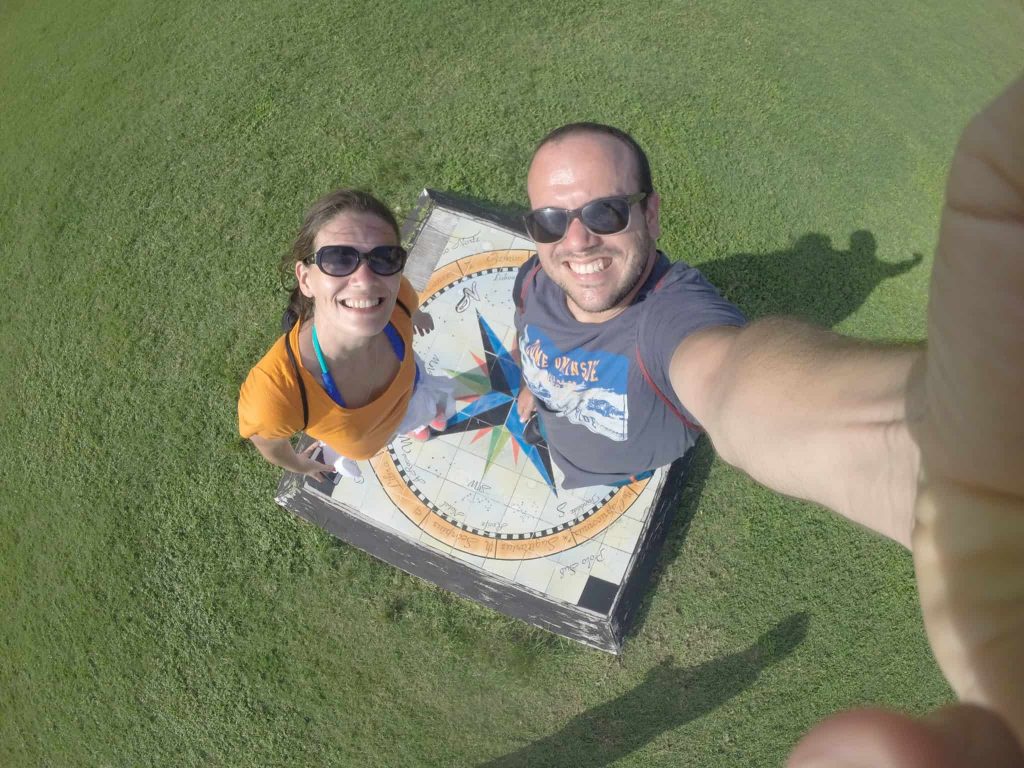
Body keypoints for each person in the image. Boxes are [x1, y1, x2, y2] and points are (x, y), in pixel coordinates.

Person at [515, 74, 1024, 766]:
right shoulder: (533, 279)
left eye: (605, 213)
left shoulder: (671, 319)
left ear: (653, 215)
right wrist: (532, 385)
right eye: (550, 220)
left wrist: (935, 445)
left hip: (627, 466)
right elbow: (535, 323)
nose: (575, 240)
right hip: (549, 429)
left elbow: (733, 379)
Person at [238, 189, 453, 482]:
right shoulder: (277, 396)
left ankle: (414, 422)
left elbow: (407, 303)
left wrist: (415, 314)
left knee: (417, 404)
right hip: (370, 440)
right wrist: (301, 465)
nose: (365, 281)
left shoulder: (399, 295)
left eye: (385, 258)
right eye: (338, 259)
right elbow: (269, 445)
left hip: (410, 390)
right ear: (305, 279)